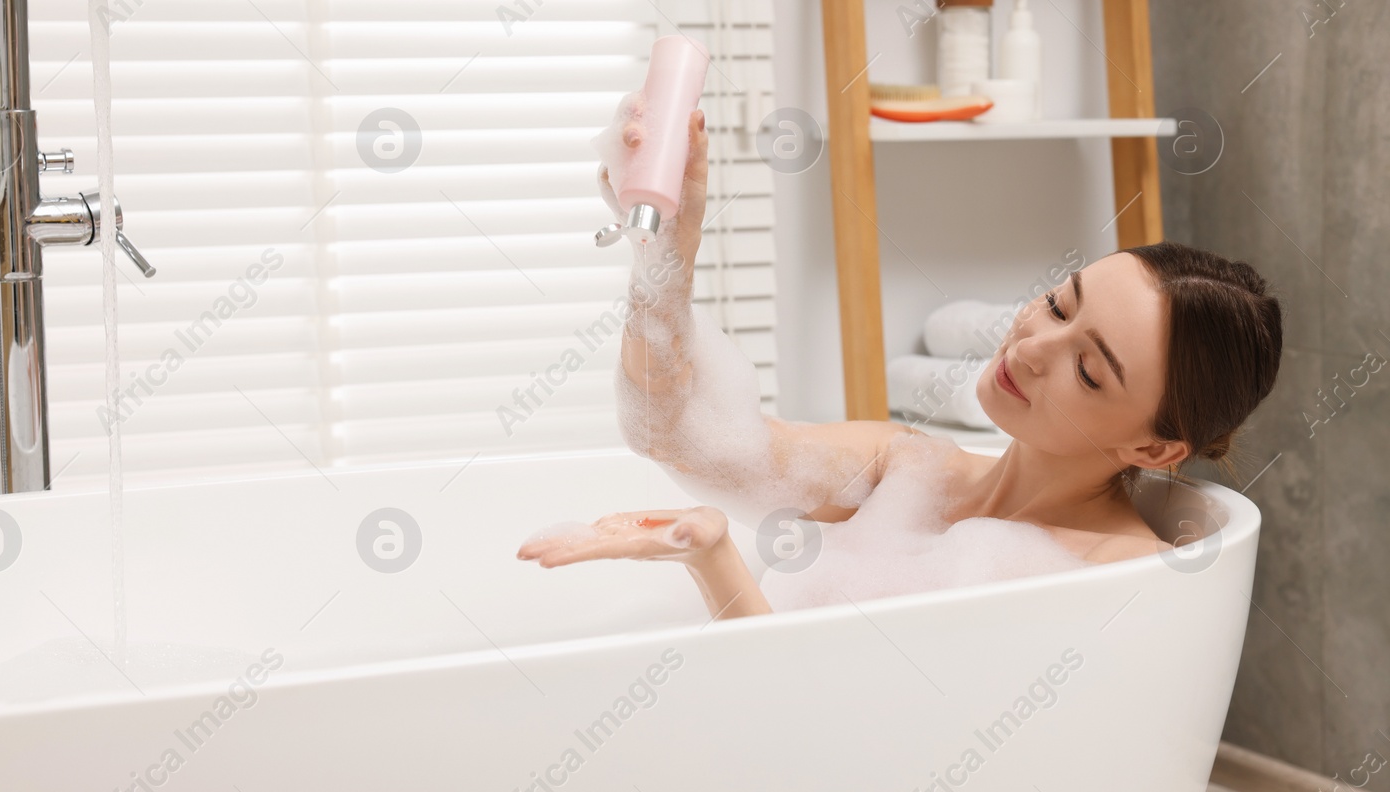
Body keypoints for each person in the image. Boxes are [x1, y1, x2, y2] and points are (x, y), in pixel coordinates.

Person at [518, 109, 1284, 620]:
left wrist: (712, 554)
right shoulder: (909, 467)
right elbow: (678, 430)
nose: (1031, 348)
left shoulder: (1116, 578)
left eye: (1090, 371)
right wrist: (666, 254)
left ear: (1152, 449)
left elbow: (842, 730)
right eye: (1057, 303)